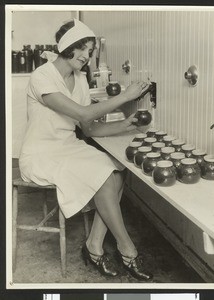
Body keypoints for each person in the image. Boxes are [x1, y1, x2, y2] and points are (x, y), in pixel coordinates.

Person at [19, 19, 153, 281]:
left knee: (117, 169)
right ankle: (129, 251)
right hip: (41, 154)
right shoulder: (42, 76)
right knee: (103, 173)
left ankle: (94, 246)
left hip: (68, 147)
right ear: (67, 46)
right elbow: (81, 112)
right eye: (82, 48)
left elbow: (88, 128)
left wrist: (125, 124)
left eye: (90, 51)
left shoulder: (80, 80)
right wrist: (125, 96)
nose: (86, 56)